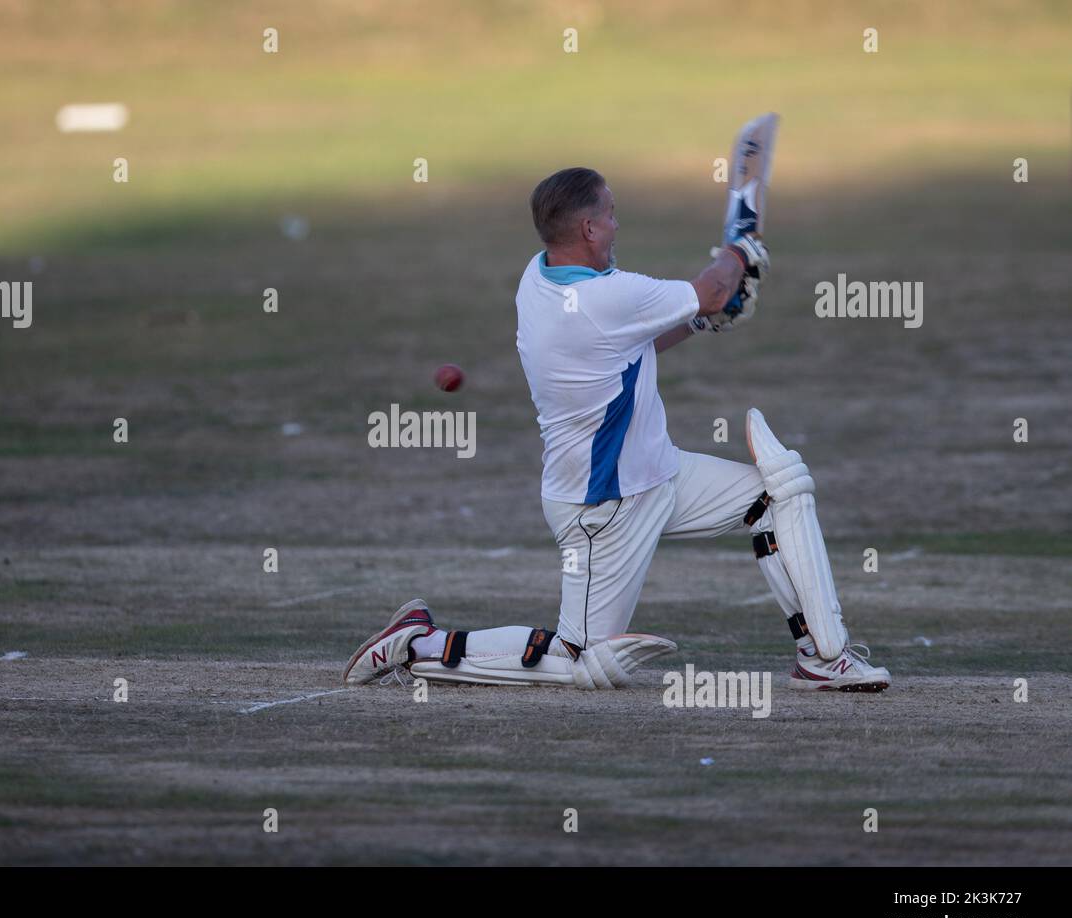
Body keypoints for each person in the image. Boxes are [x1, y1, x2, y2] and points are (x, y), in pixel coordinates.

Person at [343, 167, 890, 693]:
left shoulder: (540, 277)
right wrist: (740, 249)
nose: (616, 225)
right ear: (586, 228)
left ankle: (823, 656)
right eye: (610, 215)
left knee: (777, 491)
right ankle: (415, 644)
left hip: (659, 476)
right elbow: (713, 288)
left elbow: (636, 342)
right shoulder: (606, 298)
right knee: (580, 664)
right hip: (602, 509)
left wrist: (701, 320)